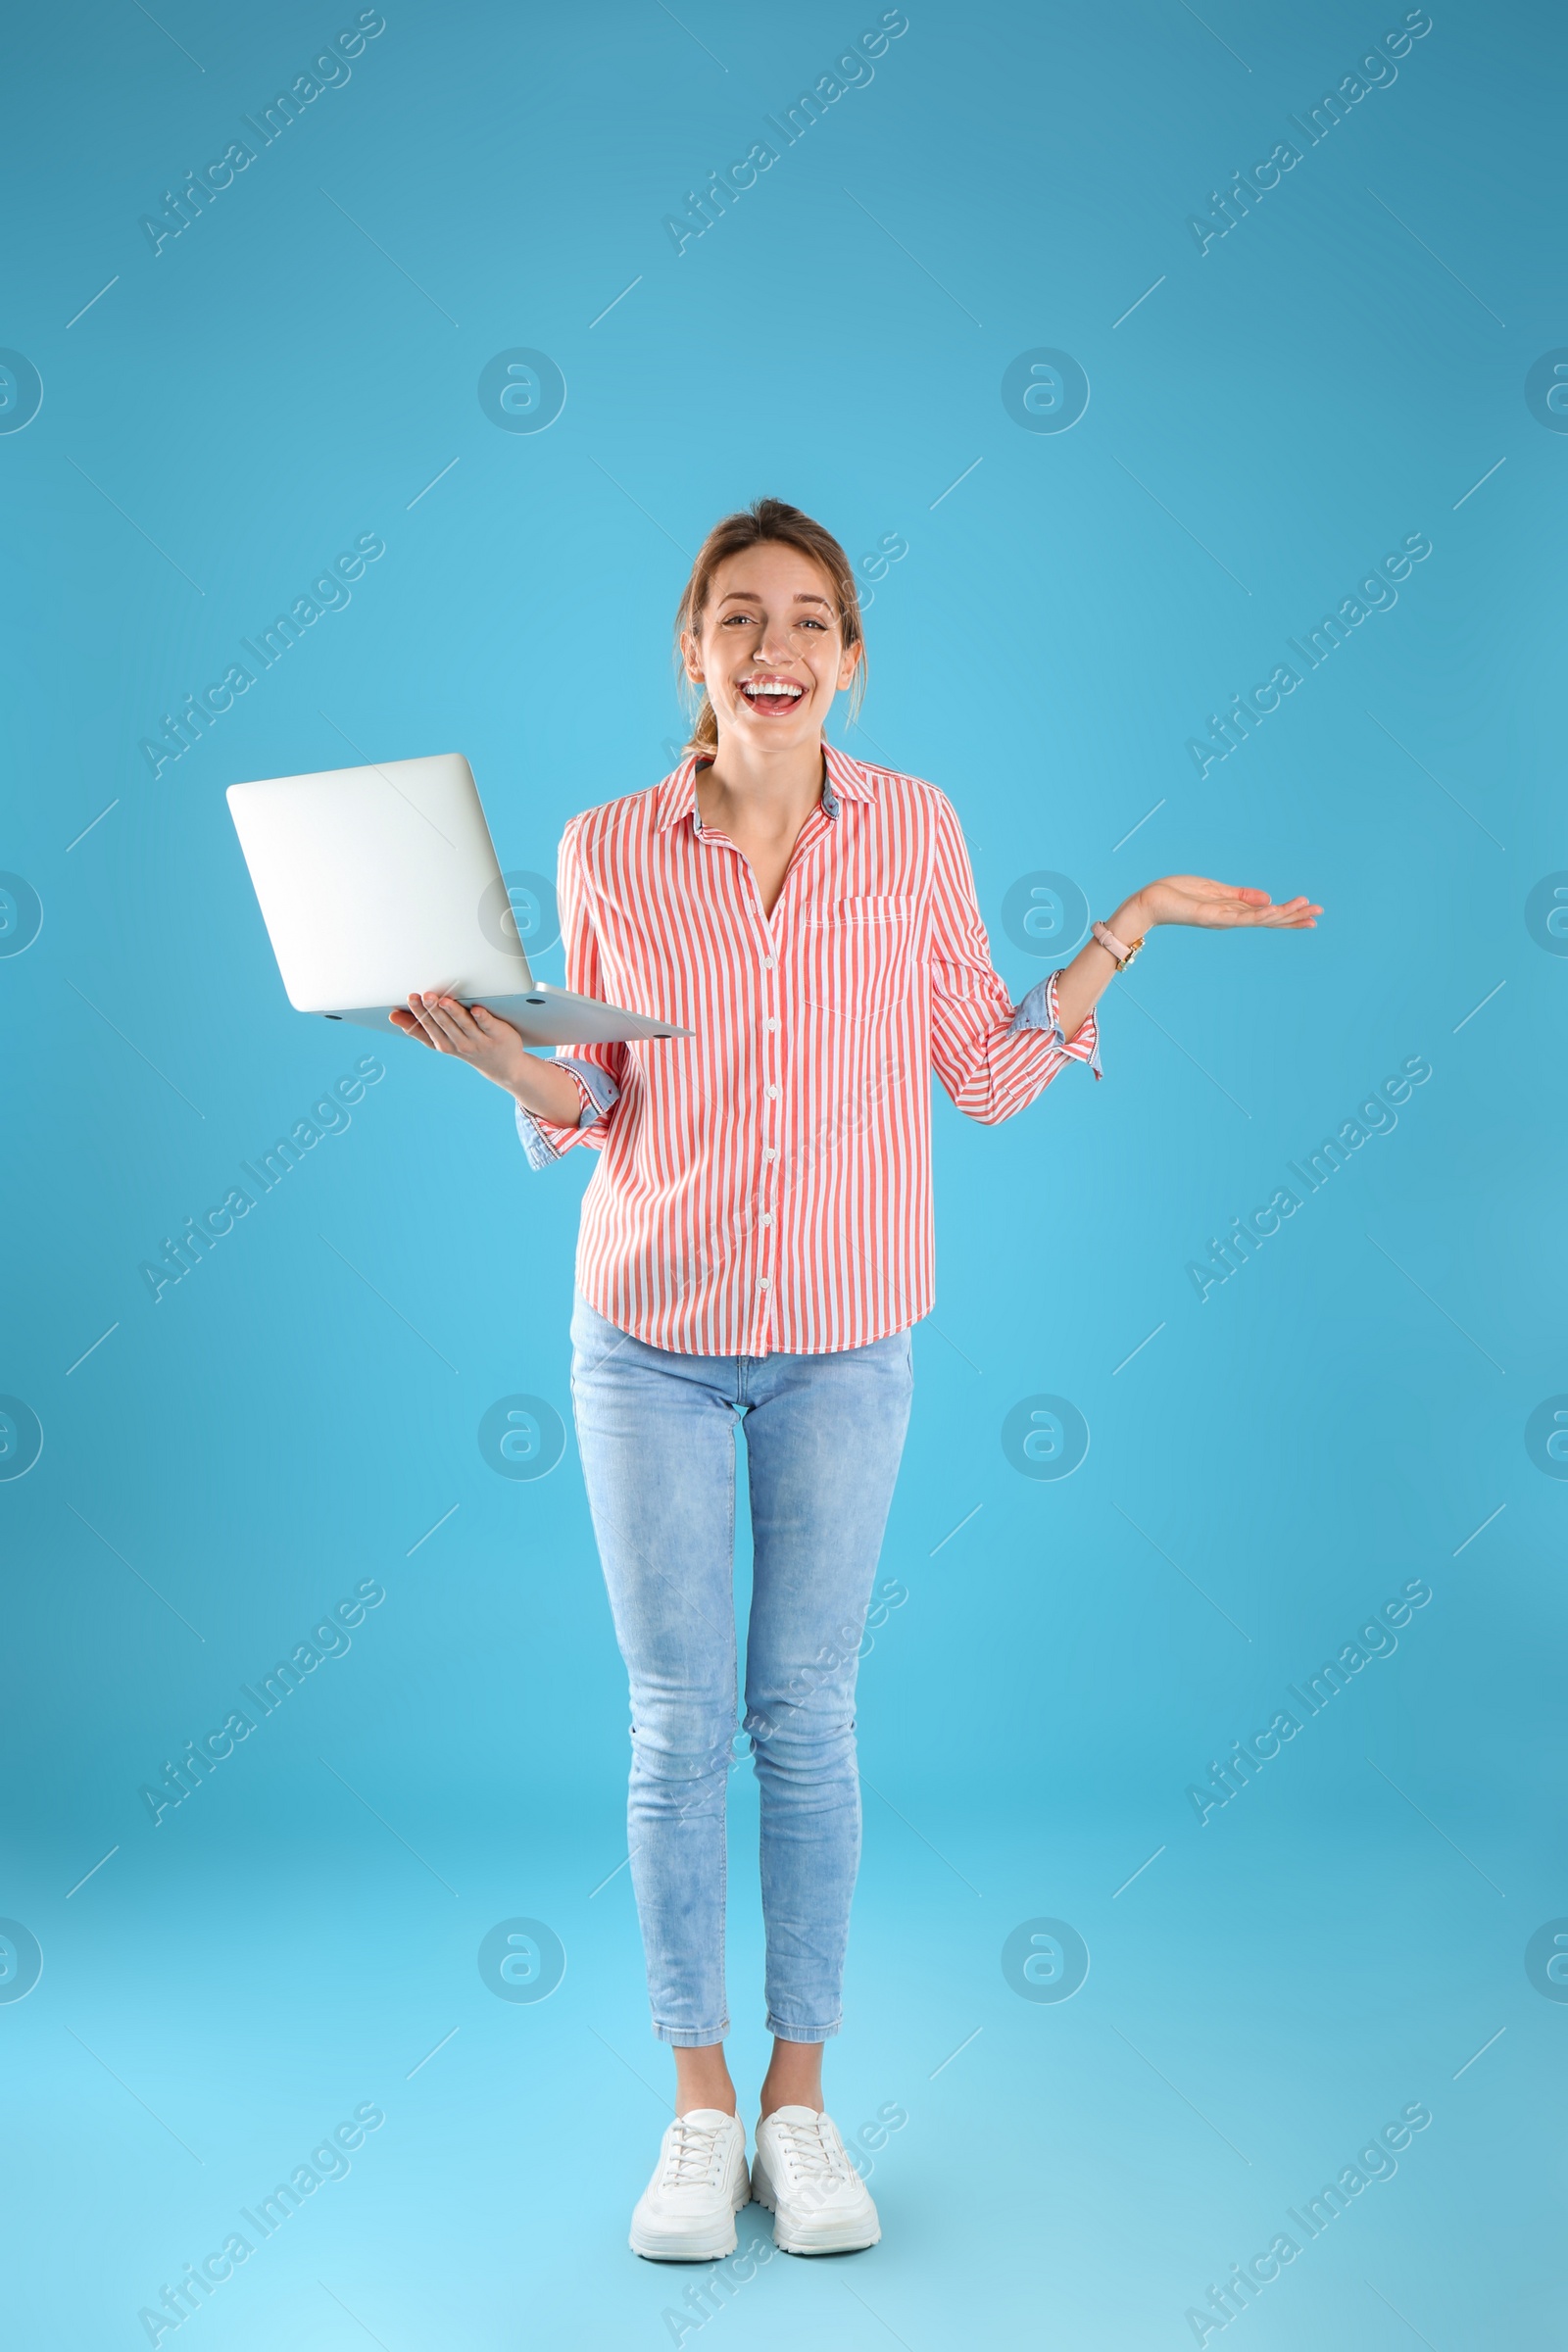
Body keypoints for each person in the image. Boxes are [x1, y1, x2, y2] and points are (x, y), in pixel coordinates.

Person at [391, 497, 1320, 2262]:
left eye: (808, 620)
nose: (774, 650)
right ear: (692, 651)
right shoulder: (605, 847)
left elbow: (976, 1074)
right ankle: (697, 2118)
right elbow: (606, 1101)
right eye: (739, 618)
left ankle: (803, 2113)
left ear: (851, 657)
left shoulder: (915, 834)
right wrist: (503, 1059)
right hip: (647, 1336)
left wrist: (1124, 925)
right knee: (678, 1731)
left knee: (802, 1724)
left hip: (848, 1333)